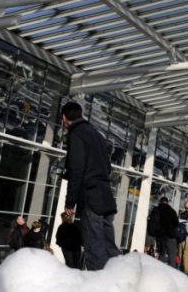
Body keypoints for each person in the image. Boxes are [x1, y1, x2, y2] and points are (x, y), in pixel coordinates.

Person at [61, 102, 120, 270]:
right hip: (106, 197)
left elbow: (77, 170)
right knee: (110, 248)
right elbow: (107, 167)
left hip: (91, 199)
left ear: (64, 118)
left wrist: (70, 203)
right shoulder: (96, 134)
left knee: (94, 249)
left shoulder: (76, 134)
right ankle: (120, 279)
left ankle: (99, 282)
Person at [150, 197, 180, 268]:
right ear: (167, 202)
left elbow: (151, 223)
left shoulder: (156, 210)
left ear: (160, 202)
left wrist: (154, 233)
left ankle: (160, 270)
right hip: (171, 236)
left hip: (160, 236)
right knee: (172, 255)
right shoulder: (172, 211)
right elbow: (176, 224)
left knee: (161, 254)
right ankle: (171, 271)